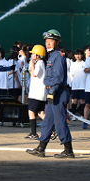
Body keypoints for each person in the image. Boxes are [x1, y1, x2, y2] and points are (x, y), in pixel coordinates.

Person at [26, 29, 75, 158]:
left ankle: (68, 150)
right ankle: (41, 148)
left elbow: (58, 77)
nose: (48, 44)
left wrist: (52, 91)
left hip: (57, 93)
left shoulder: (58, 56)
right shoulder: (52, 56)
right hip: (52, 93)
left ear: (57, 42)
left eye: (51, 41)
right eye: (46, 41)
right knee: (48, 122)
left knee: (60, 123)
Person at [24, 44, 47, 140]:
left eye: (33, 53)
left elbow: (34, 74)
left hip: (37, 94)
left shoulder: (40, 63)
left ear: (38, 55)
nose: (32, 55)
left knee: (31, 111)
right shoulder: (40, 63)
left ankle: (33, 133)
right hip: (38, 93)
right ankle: (54, 129)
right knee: (40, 113)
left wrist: (31, 64)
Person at [69, 48, 86, 115]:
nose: (78, 56)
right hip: (75, 86)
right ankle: (73, 115)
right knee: (75, 100)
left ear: (82, 55)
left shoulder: (85, 63)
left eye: (79, 54)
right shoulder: (73, 64)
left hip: (83, 85)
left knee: (82, 101)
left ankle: (82, 115)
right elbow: (71, 75)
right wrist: (71, 84)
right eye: (76, 54)